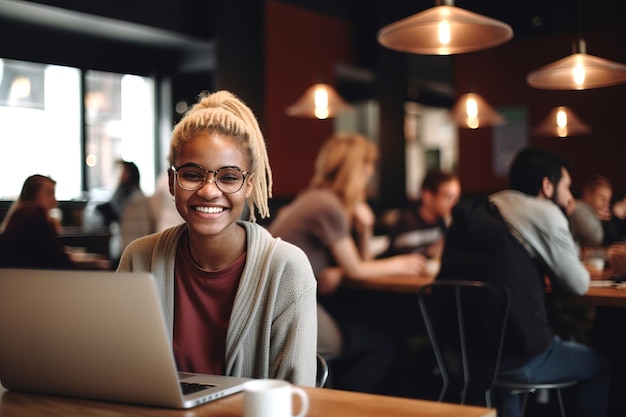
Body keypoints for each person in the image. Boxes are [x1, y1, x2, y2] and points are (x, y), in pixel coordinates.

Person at [116, 90, 317, 386]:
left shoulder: (286, 269)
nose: (209, 190)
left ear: (249, 185)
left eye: (229, 177)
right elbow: (117, 368)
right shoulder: (140, 257)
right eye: (193, 175)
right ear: (172, 182)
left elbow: (295, 394)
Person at [437, 147, 609, 417]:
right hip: (516, 357)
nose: (568, 197)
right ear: (546, 185)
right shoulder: (544, 212)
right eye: (567, 187)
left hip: (462, 354)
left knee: (518, 343)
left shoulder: (485, 207)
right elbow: (578, 285)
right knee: (601, 365)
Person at [268, 133, 423, 393]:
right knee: (382, 344)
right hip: (286, 309)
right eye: (368, 165)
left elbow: (354, 265)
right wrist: (401, 263)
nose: (371, 173)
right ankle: (344, 405)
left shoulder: (315, 198)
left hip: (281, 302)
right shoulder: (328, 205)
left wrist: (365, 228)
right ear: (356, 168)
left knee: (374, 336)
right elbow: (359, 270)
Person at [383, 169, 461, 261]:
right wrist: (430, 252)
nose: (455, 203)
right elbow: (404, 259)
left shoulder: (442, 221)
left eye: (456, 198)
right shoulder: (406, 221)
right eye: (448, 197)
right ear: (427, 196)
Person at [0, 174, 74, 269]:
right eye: (49, 193)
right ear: (34, 195)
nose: (54, 200)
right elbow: (58, 258)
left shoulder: (21, 214)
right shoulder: (33, 217)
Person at [569, 174, 613, 248]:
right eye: (602, 199)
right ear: (587, 194)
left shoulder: (590, 212)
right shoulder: (579, 209)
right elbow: (596, 238)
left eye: (608, 201)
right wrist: (597, 218)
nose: (606, 204)